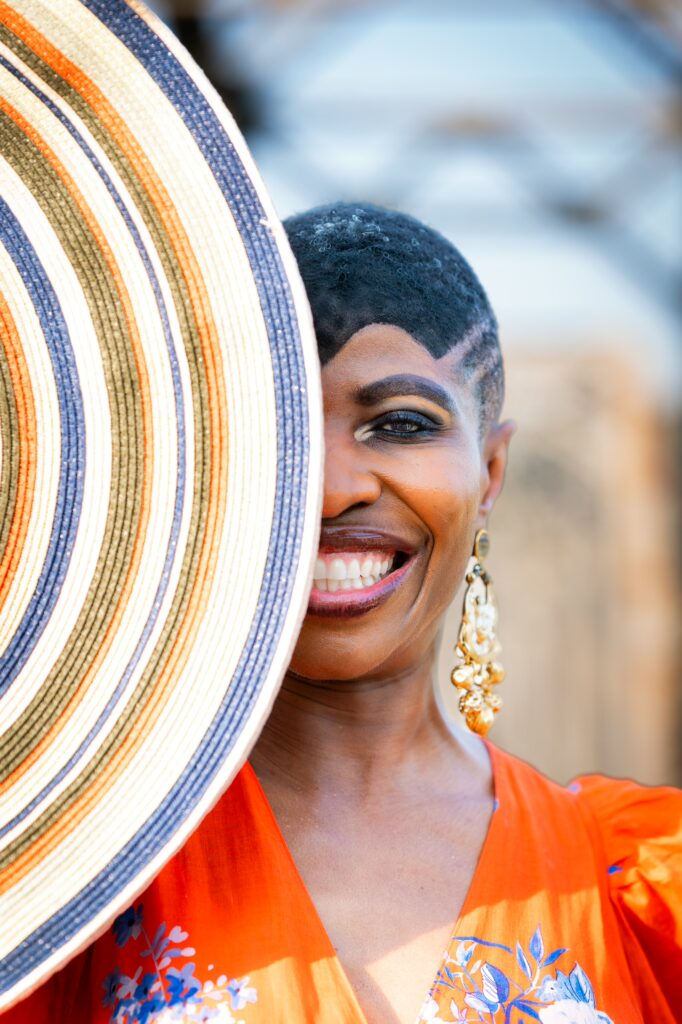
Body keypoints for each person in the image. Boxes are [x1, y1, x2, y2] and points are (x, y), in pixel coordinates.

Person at [6, 203, 680, 1024]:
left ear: (492, 471)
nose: (331, 489)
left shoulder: (638, 891)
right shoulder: (68, 866)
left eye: (400, 424)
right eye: (281, 423)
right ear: (214, 454)